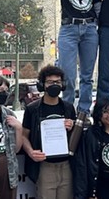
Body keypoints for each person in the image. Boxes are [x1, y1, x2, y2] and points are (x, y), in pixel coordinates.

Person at [36, 0, 102, 115]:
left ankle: (84, 112)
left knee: (88, 76)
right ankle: (67, 110)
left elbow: (99, 9)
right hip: (69, 30)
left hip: (89, 30)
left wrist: (98, 28)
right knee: (69, 75)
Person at [22, 65, 77, 199]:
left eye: (57, 82)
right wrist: (31, 152)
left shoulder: (69, 108)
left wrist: (73, 127)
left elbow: (76, 137)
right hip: (45, 166)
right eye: (50, 82)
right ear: (42, 85)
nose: (54, 85)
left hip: (66, 166)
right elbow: (24, 136)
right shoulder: (32, 109)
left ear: (63, 84)